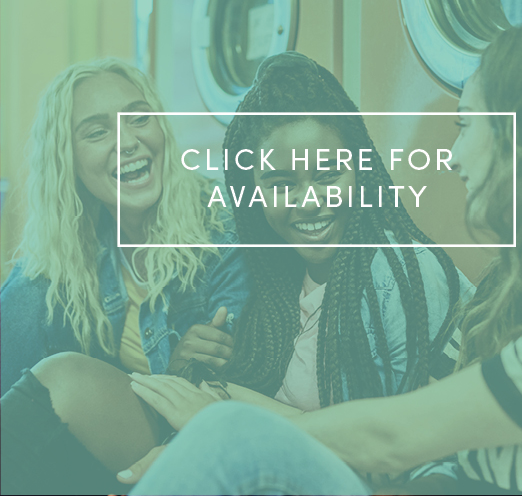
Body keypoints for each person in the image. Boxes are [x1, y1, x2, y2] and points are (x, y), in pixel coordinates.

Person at [127, 13, 522, 496]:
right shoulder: (518, 294)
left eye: (467, 123)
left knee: (221, 437)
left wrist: (222, 421)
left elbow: (397, 438)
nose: (453, 155)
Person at [120, 52, 474, 492]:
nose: (308, 200)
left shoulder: (402, 276)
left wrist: (222, 417)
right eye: (281, 183)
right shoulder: (277, 271)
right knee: (67, 376)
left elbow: (392, 457)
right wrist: (211, 388)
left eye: (328, 174)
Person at [0, 58, 251, 495]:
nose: (128, 140)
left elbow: (237, 379)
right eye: (98, 132)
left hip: (195, 429)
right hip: (110, 446)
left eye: (139, 118)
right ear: (68, 161)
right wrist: (171, 369)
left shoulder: (220, 228)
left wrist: (178, 378)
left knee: (63, 376)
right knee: (29, 289)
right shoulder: (74, 252)